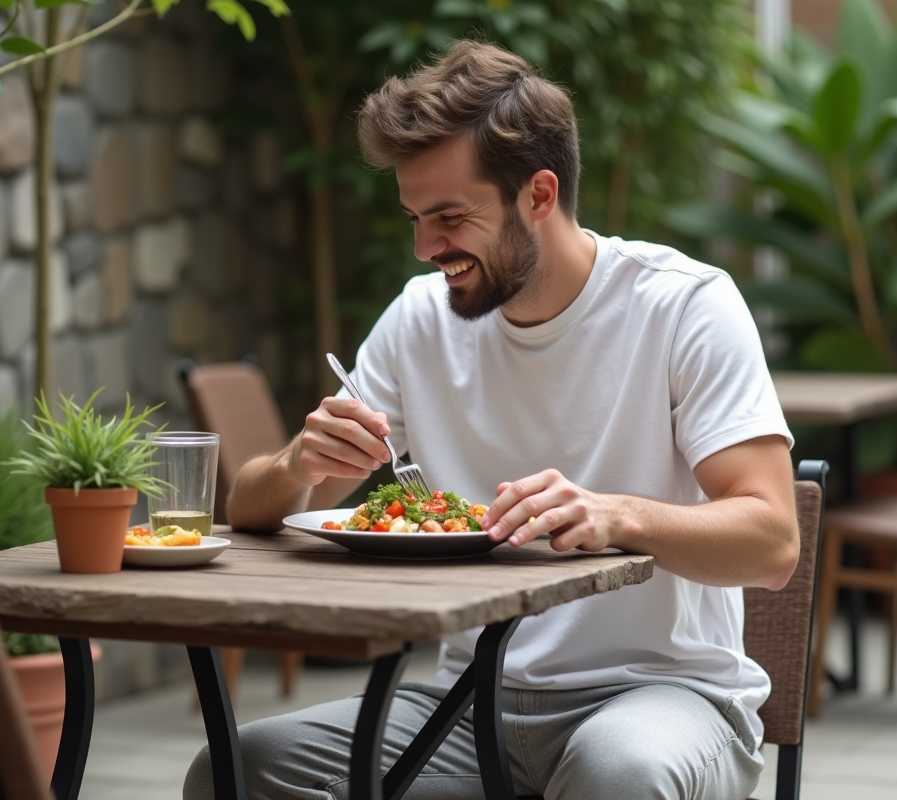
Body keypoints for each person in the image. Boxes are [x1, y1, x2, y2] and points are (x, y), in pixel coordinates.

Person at [184, 39, 798, 800]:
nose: (424, 248)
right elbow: (246, 509)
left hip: (660, 699)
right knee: (234, 773)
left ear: (539, 195)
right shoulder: (420, 320)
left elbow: (772, 542)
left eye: (448, 216)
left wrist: (618, 513)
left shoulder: (683, 306)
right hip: (465, 706)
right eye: (414, 217)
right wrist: (297, 467)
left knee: (618, 773)